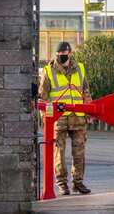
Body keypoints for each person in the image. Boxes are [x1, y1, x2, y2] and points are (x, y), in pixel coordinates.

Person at [39, 41, 92, 195]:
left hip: (78, 117)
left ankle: (78, 182)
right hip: (58, 118)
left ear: (70, 53)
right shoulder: (49, 70)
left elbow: (86, 92)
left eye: (64, 55)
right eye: (59, 55)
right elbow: (43, 97)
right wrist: (46, 118)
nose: (61, 57)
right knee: (59, 153)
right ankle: (62, 184)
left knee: (79, 152)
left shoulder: (80, 68)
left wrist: (88, 112)